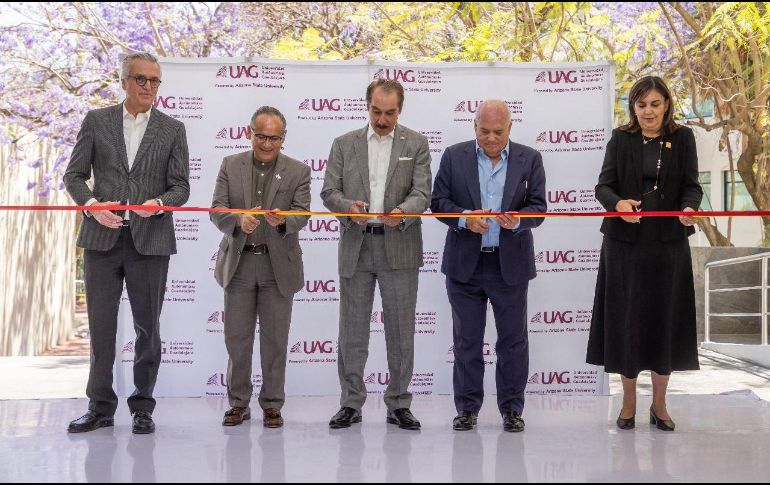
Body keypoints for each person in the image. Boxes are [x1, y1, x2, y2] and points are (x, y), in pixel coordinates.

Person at [64, 52, 190, 434]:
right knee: (101, 328)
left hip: (150, 241)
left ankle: (142, 407)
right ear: (123, 81)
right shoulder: (96, 120)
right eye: (141, 79)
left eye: (154, 81)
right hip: (102, 239)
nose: (148, 87)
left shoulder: (173, 128)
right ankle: (100, 407)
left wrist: (159, 204)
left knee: (147, 329)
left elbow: (181, 187)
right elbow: (73, 176)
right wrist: (90, 206)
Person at [586, 75, 703, 431]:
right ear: (632, 107)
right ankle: (628, 404)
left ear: (666, 104)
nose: (648, 111)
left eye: (654, 104)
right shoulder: (621, 138)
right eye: (641, 105)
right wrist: (617, 203)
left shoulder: (683, 138)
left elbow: (692, 186)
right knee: (627, 323)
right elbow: (602, 186)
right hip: (624, 247)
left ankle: (660, 405)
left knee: (663, 322)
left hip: (668, 245)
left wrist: (689, 208)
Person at [321, 79, 432, 430]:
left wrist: (403, 211)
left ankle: (398, 403)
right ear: (366, 106)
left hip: (399, 244)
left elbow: (422, 193)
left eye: (390, 112)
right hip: (357, 244)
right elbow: (329, 192)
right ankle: (351, 402)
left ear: (400, 110)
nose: (382, 120)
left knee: (401, 331)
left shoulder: (417, 143)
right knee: (352, 331)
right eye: (376, 111)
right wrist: (346, 206)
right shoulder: (343, 144)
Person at [431, 100, 546, 432]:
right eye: (485, 131)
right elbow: (439, 203)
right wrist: (466, 220)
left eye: (498, 131)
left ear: (510, 128)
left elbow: (538, 207)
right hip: (465, 266)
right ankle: (467, 409)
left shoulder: (530, 158)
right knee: (466, 340)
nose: (491, 138)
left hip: (509, 266)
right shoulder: (454, 156)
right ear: (474, 126)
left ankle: (512, 409)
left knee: (512, 341)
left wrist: (518, 221)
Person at [210, 106, 311, 428]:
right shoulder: (230, 165)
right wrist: (237, 220)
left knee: (275, 341)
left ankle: (272, 404)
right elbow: (216, 210)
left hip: (277, 266)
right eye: (261, 136)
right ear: (248, 132)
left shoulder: (298, 170)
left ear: (284, 138)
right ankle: (238, 403)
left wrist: (284, 221)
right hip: (238, 264)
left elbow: (303, 214)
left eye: (275, 138)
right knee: (237, 341)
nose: (267, 144)